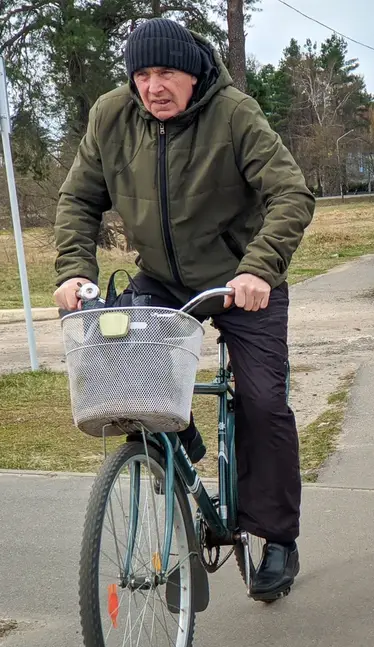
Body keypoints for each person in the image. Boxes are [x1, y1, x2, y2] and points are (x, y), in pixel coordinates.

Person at [52, 18, 316, 602]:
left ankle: (276, 536)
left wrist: (258, 268)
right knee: (130, 384)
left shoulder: (235, 114)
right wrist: (74, 269)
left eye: (165, 72)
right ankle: (184, 455)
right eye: (141, 75)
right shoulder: (111, 117)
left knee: (264, 404)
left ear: (193, 74)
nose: (153, 87)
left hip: (245, 276)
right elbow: (78, 199)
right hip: (163, 279)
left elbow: (291, 193)